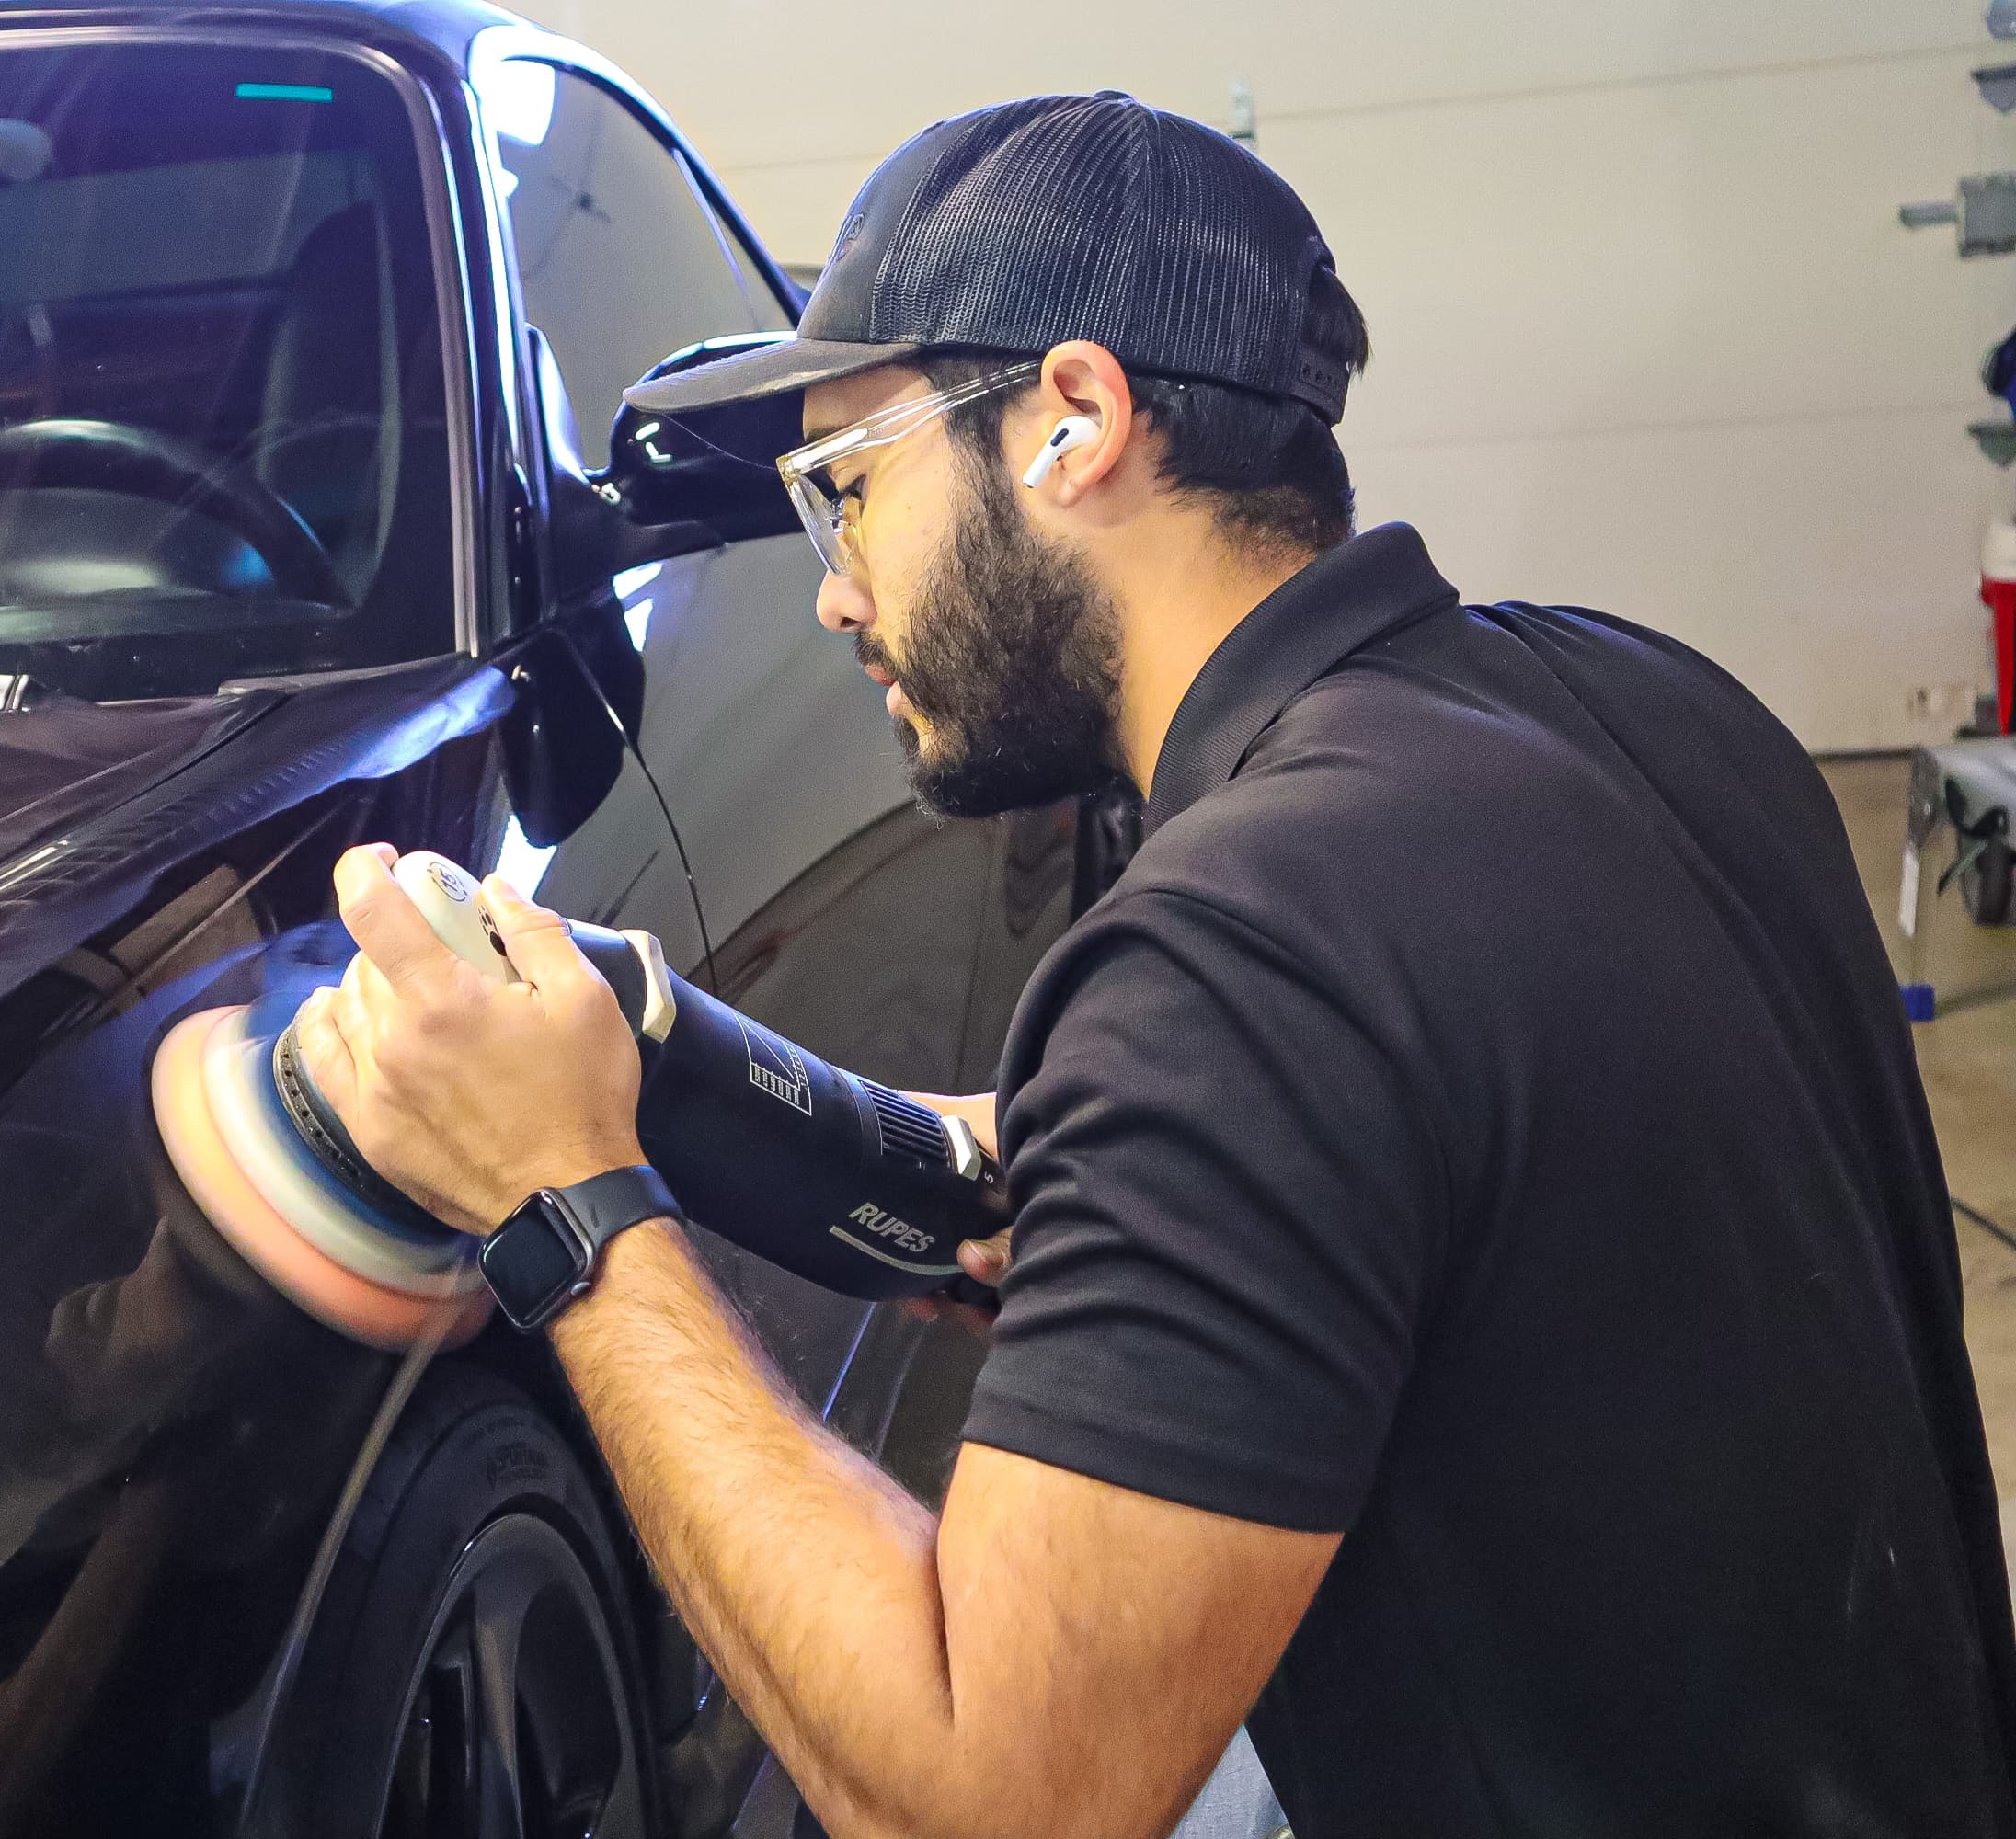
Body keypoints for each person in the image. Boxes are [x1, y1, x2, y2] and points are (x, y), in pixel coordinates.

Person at [293, 92, 2016, 1838]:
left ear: (1073, 423)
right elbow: (1287, 1150)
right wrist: (654, 1049)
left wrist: (565, 1198)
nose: (833, 592)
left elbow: (994, 1797)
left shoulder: (1248, 950)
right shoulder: (1649, 701)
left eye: (850, 488)